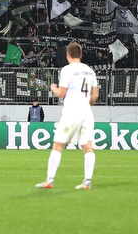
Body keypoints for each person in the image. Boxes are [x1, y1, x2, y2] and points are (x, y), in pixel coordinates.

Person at [36, 42, 98, 190]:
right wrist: (85, 105)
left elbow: (62, 94)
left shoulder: (67, 70)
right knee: (87, 146)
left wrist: (53, 88)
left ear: (68, 56)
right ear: (81, 55)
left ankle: (49, 180)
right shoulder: (90, 71)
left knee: (58, 145)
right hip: (87, 112)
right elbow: (94, 95)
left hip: (72, 112)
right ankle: (87, 181)